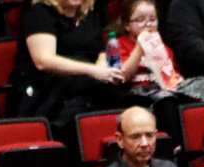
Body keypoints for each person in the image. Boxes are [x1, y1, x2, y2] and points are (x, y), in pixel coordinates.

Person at [8, 0, 130, 135]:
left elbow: (100, 50)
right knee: (84, 105)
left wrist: (103, 68)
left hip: (85, 83)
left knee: (125, 101)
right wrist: (94, 71)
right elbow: (43, 61)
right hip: (44, 88)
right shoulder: (40, 12)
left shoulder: (89, 14)